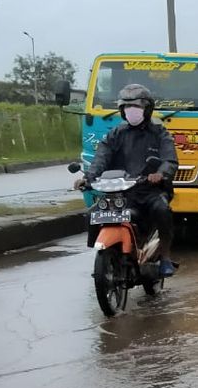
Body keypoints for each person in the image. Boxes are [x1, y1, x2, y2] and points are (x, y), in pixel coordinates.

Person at [74, 84, 178, 276]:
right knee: (91, 214)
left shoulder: (159, 132)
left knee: (162, 210)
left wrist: (160, 174)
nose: (132, 112)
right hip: (120, 192)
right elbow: (101, 158)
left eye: (136, 107)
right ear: (122, 111)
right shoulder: (116, 133)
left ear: (147, 109)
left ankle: (165, 257)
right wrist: (87, 178)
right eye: (127, 108)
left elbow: (169, 160)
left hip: (150, 190)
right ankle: (105, 254)